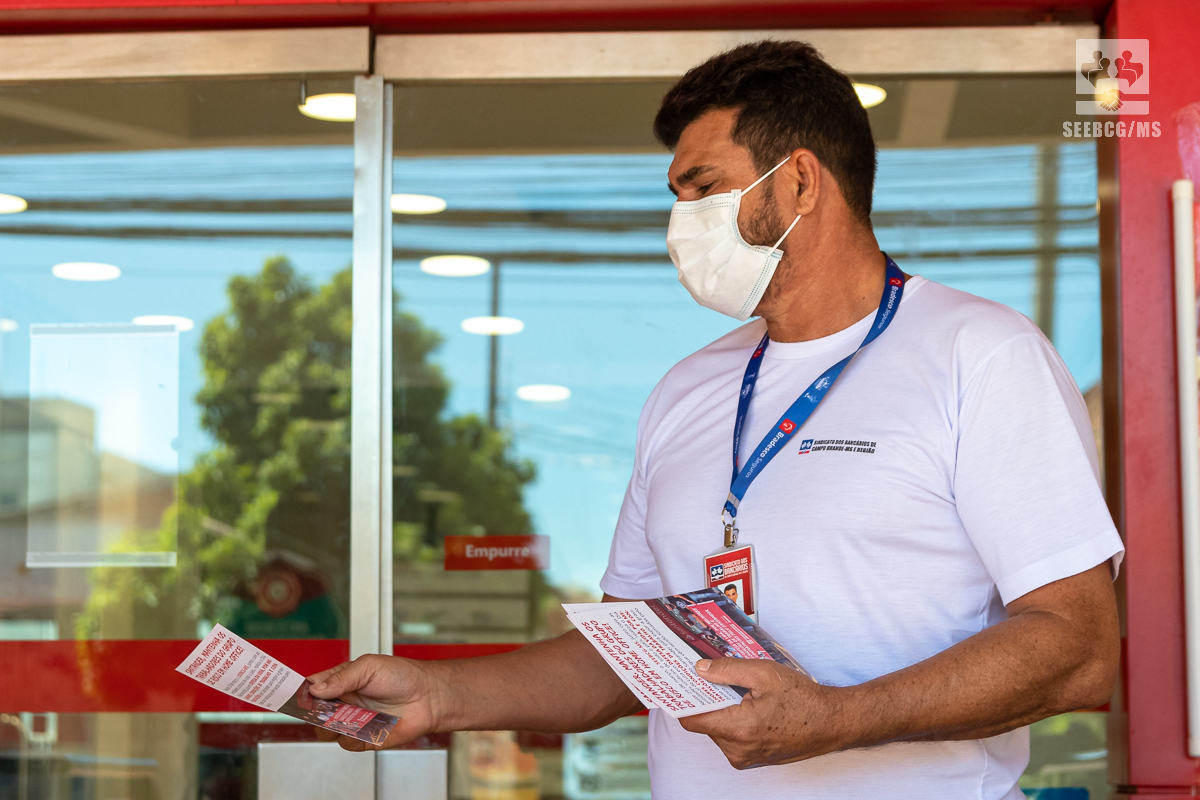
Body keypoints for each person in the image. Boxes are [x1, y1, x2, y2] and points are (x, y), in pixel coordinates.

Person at [309, 40, 1122, 799]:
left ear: (801, 182)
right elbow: (624, 657)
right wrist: (440, 696)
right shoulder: (688, 389)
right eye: (676, 197)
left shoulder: (980, 355)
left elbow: (1077, 649)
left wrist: (834, 718)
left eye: (703, 188)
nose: (680, 222)